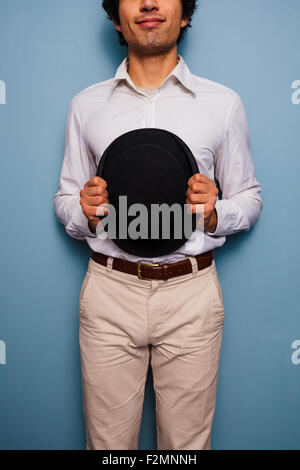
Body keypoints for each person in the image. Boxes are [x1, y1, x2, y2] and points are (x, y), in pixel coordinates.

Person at [53, 0, 263, 450]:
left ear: (184, 14)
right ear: (115, 17)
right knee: (107, 448)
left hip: (191, 295)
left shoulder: (223, 103)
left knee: (185, 450)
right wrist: (83, 210)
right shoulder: (85, 105)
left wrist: (215, 210)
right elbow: (65, 199)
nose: (148, 2)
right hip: (110, 293)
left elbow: (249, 199)